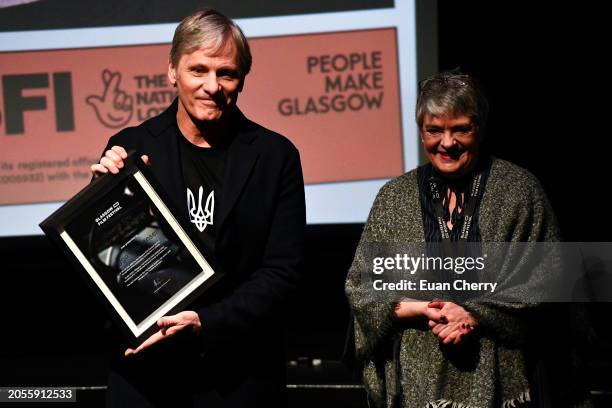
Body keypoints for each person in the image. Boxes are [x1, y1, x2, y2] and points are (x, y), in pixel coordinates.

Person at [91, 8, 305, 407]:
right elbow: (108, 258)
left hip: (237, 376)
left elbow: (283, 272)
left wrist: (208, 322)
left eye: (226, 74)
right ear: (172, 71)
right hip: (147, 375)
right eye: (198, 70)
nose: (212, 86)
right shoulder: (133, 148)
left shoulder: (275, 156)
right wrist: (102, 196)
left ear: (242, 78)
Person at [345, 71, 592, 407]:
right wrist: (424, 309)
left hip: (503, 381)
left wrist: (476, 313)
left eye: (460, 128)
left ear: (480, 128)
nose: (447, 143)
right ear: (421, 133)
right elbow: (361, 287)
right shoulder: (393, 198)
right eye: (435, 130)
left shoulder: (520, 191)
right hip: (417, 386)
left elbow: (551, 282)